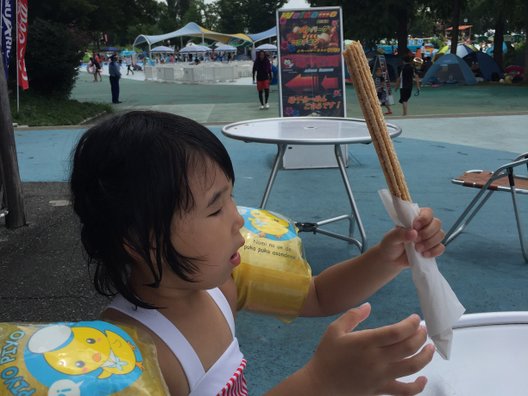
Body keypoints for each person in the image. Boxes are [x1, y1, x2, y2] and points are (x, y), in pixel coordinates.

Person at [70, 111, 444, 396]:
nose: (237, 219)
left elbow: (317, 295)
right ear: (140, 242)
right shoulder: (133, 354)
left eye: (230, 197)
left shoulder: (222, 286)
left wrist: (385, 256)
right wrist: (320, 382)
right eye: (215, 209)